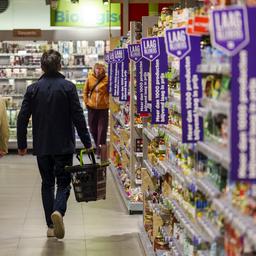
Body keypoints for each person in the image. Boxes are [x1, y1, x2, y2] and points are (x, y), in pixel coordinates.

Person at [17, 49, 92, 239]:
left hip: (42, 145)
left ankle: (51, 226)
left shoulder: (32, 89)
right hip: (64, 145)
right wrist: (86, 141)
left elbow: (22, 118)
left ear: (42, 66)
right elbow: (78, 117)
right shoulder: (68, 87)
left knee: (47, 183)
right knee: (64, 182)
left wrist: (21, 143)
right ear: (60, 66)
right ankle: (58, 211)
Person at [83, 63, 109, 158]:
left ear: (103, 69)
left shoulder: (107, 79)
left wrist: (107, 102)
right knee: (92, 128)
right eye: (97, 68)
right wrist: (86, 102)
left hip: (103, 108)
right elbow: (85, 91)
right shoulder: (90, 78)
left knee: (102, 130)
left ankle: (99, 151)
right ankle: (99, 145)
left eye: (100, 69)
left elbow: (110, 92)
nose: (99, 70)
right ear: (94, 69)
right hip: (92, 108)